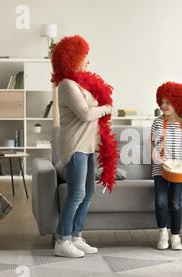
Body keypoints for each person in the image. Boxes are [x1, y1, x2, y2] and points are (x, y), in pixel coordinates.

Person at [51, 35, 115, 258]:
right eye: (84, 56)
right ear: (72, 58)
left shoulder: (80, 83)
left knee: (88, 193)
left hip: (87, 146)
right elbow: (86, 113)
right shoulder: (66, 86)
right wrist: (106, 108)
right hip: (74, 146)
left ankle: (76, 236)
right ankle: (62, 240)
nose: (88, 60)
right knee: (76, 193)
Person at [150, 82, 182, 250]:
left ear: (178, 103)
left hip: (179, 169)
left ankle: (176, 236)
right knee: (160, 201)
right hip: (160, 168)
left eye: (167, 102)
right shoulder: (157, 123)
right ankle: (163, 233)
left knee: (176, 203)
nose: (163, 106)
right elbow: (151, 141)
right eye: (161, 102)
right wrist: (153, 152)